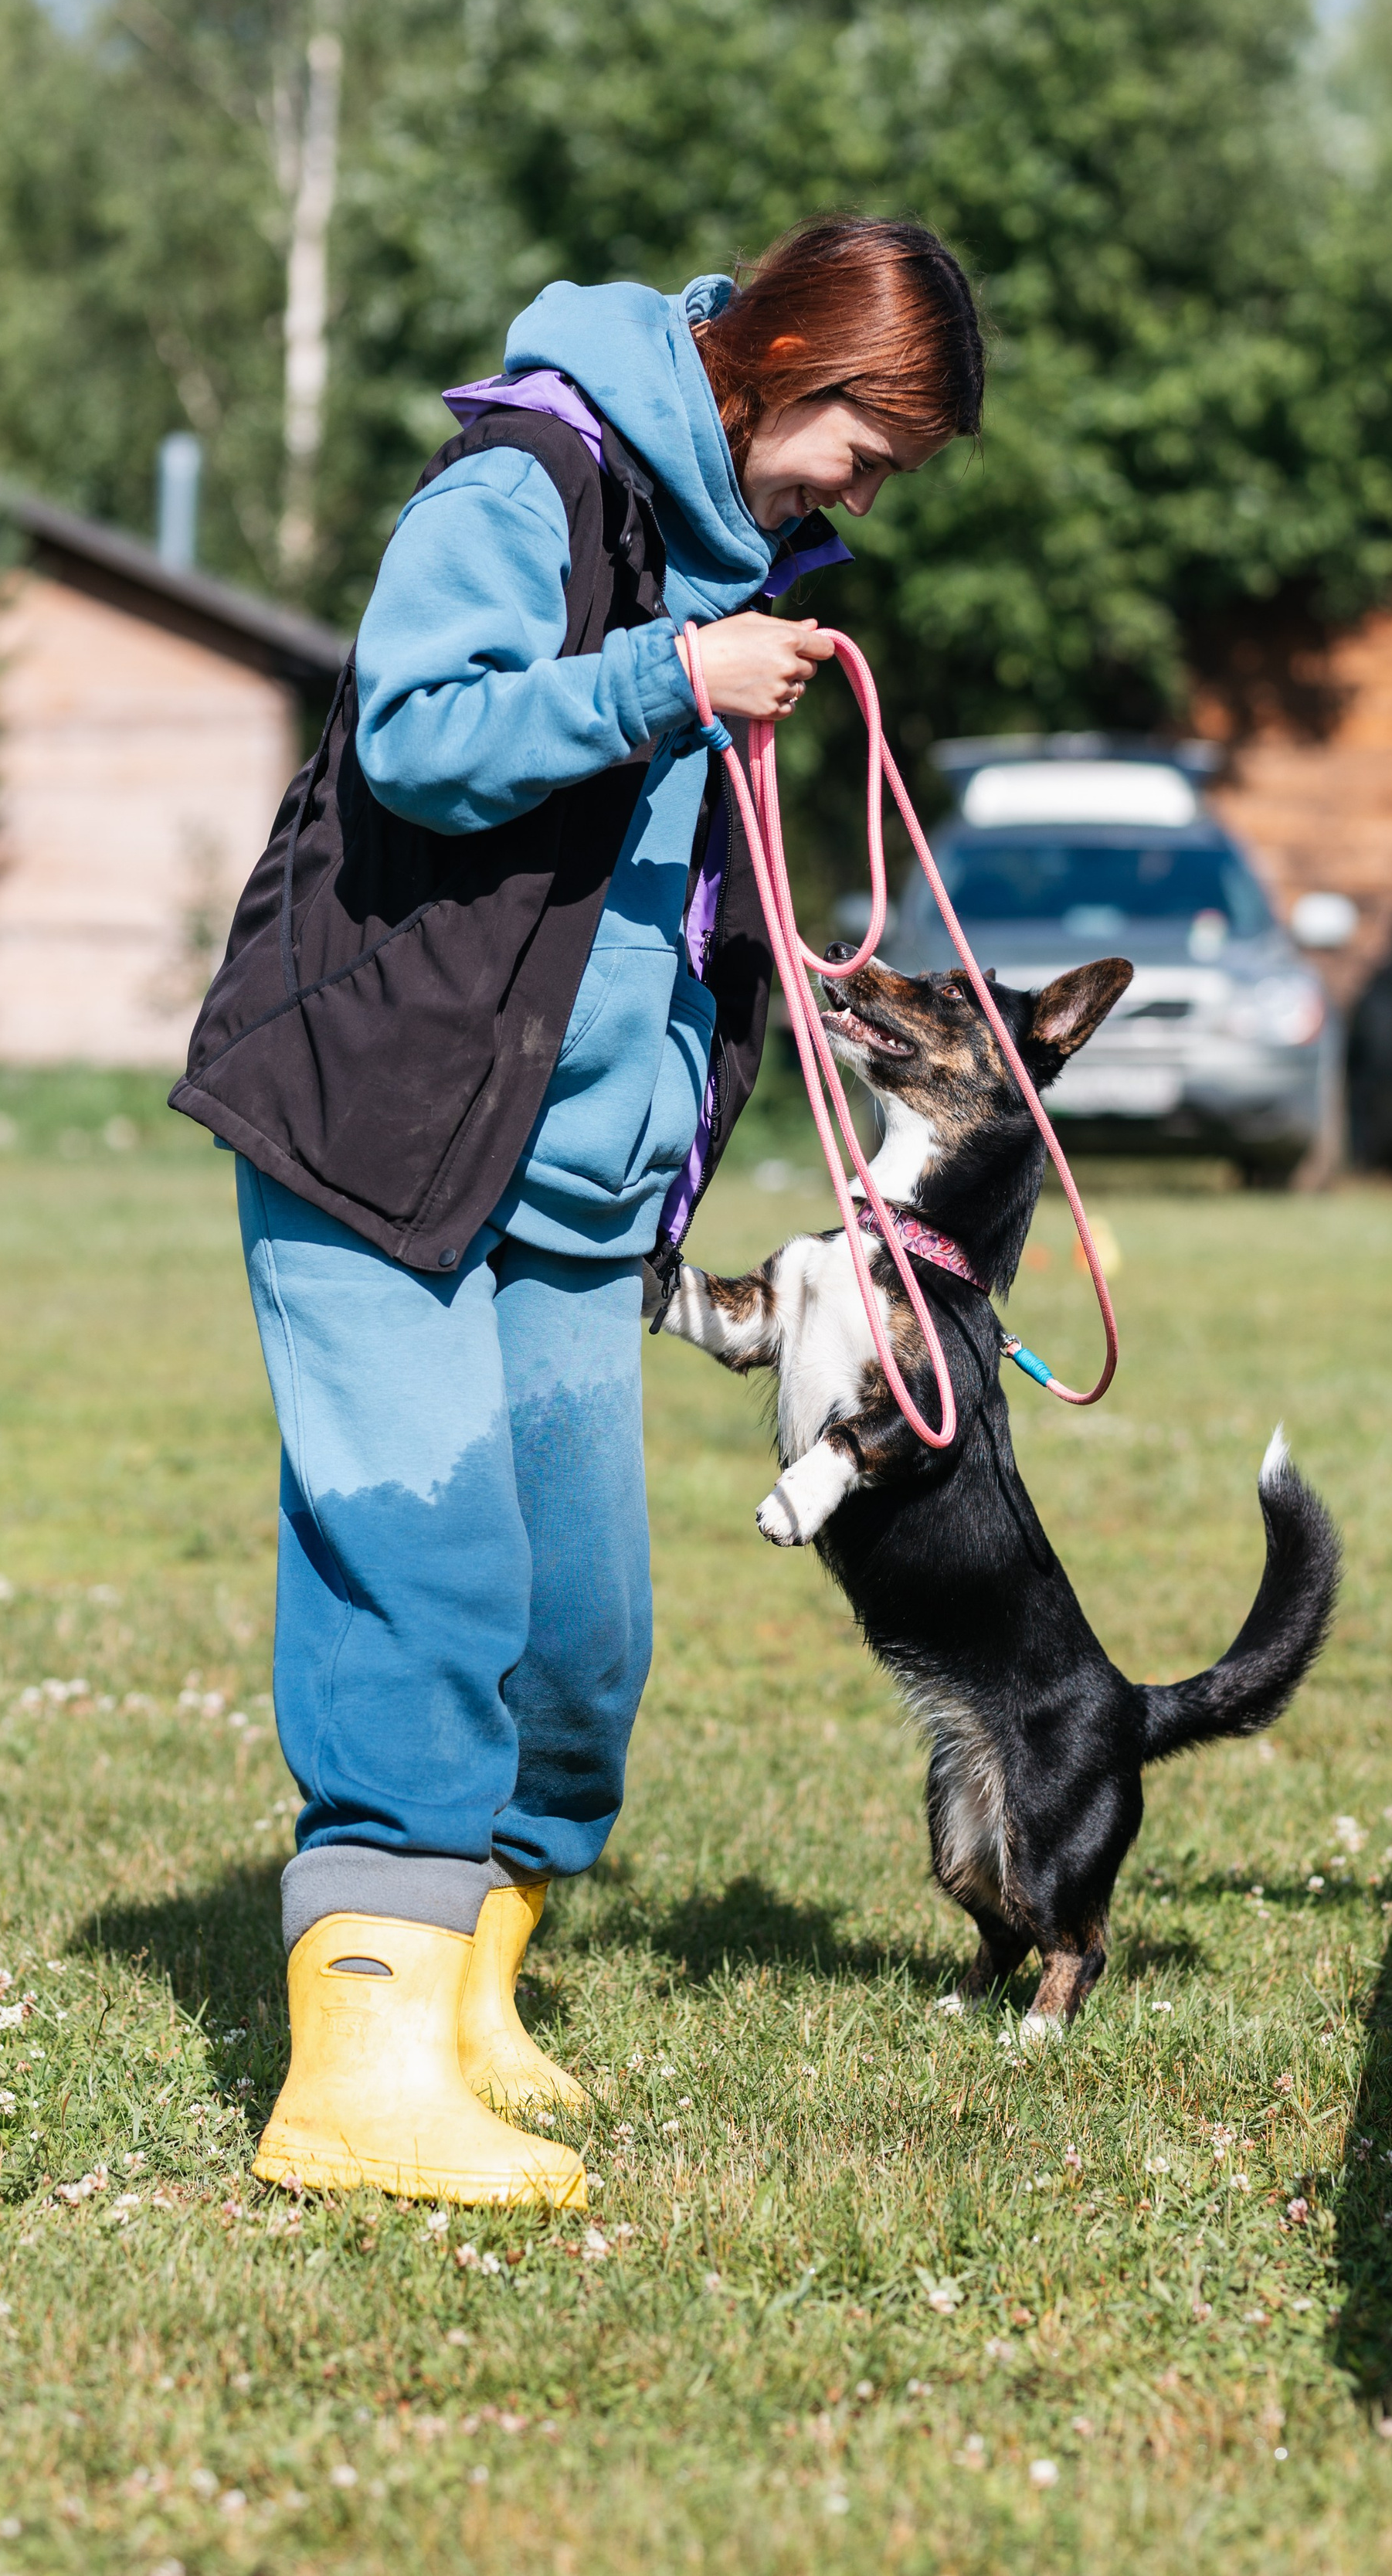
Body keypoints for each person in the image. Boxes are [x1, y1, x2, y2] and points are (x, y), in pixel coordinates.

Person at [172, 215, 984, 2207]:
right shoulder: (525, 482)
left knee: (578, 1633)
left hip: (568, 1182)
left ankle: (468, 2004)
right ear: (777, 362)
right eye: (862, 448)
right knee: (425, 1583)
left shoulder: (732, 560)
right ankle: (352, 2078)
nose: (867, 495)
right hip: (384, 1124)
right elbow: (414, 737)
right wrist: (662, 679)